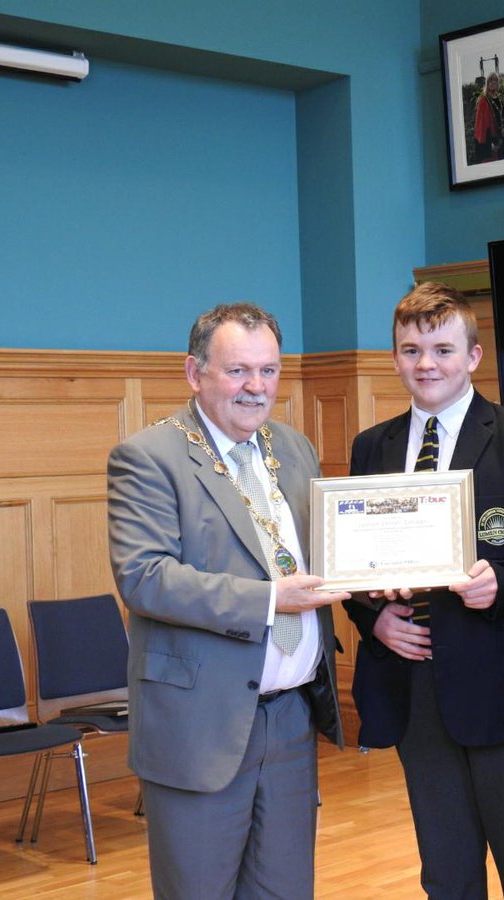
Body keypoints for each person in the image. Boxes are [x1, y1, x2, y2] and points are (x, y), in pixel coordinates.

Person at [107, 302, 347, 899]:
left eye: (268, 371)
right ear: (195, 373)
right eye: (238, 370)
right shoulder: (148, 457)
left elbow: (323, 554)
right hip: (201, 725)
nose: (256, 387)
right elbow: (146, 576)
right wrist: (270, 600)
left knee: (285, 891)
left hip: (290, 719)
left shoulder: (292, 446)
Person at [342, 282, 504, 900]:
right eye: (411, 350)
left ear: (473, 357)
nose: (426, 364)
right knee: (445, 873)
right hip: (415, 691)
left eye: (442, 349)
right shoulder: (372, 447)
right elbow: (352, 570)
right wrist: (374, 622)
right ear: (394, 358)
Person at [472, 71, 504, 163]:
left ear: (498, 84)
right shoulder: (483, 101)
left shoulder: (500, 100)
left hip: (501, 139)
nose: (492, 82)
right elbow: (481, 125)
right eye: (490, 80)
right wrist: (490, 143)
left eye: (495, 80)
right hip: (489, 142)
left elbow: (503, 119)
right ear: (487, 84)